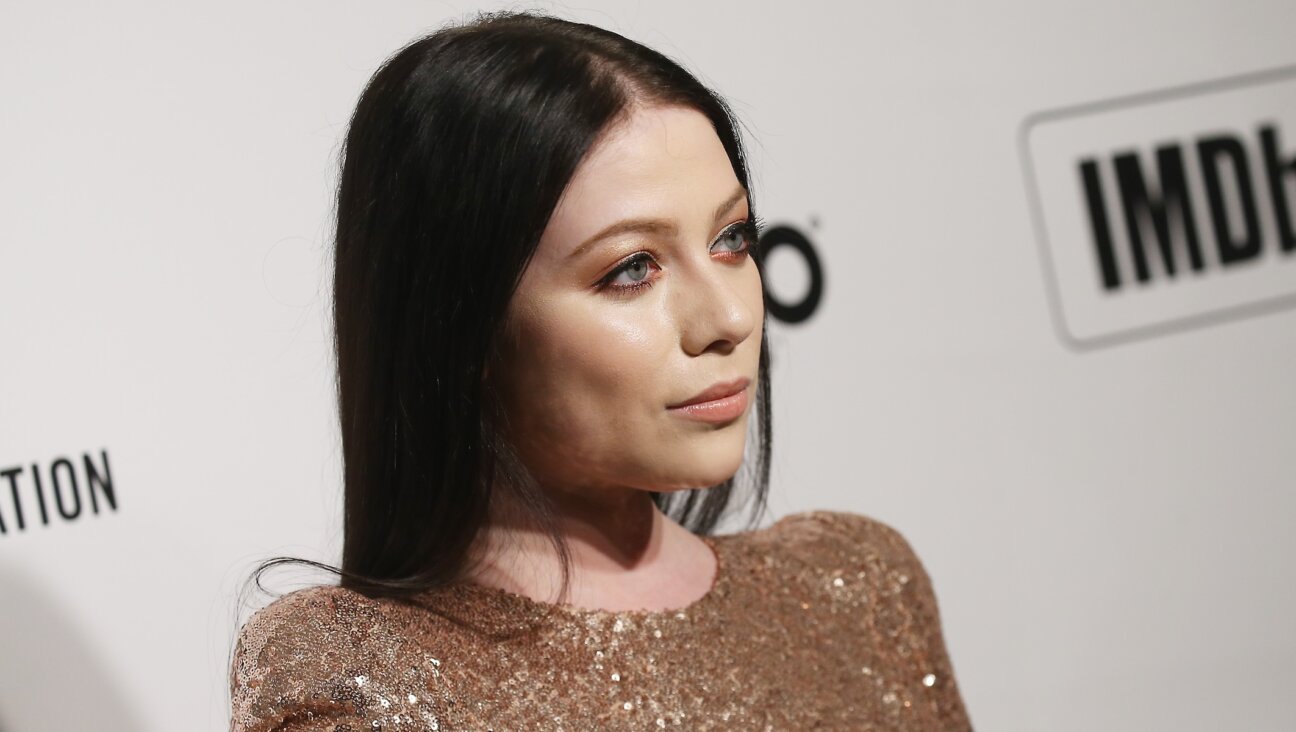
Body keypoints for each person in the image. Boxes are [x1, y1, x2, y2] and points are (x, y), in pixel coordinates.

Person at [228, 9, 972, 731]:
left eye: (732, 238)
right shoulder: (360, 678)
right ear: (463, 324)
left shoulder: (857, 589)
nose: (730, 319)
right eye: (633, 268)